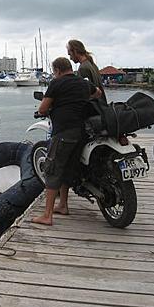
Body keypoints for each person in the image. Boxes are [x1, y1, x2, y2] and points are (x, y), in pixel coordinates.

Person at [32, 57, 99, 226]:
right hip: (81, 133)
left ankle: (47, 215)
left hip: (63, 132)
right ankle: (63, 205)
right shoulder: (83, 83)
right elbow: (98, 92)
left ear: (58, 71)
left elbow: (42, 108)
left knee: (53, 170)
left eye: (54, 72)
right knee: (68, 168)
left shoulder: (57, 83)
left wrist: (56, 105)